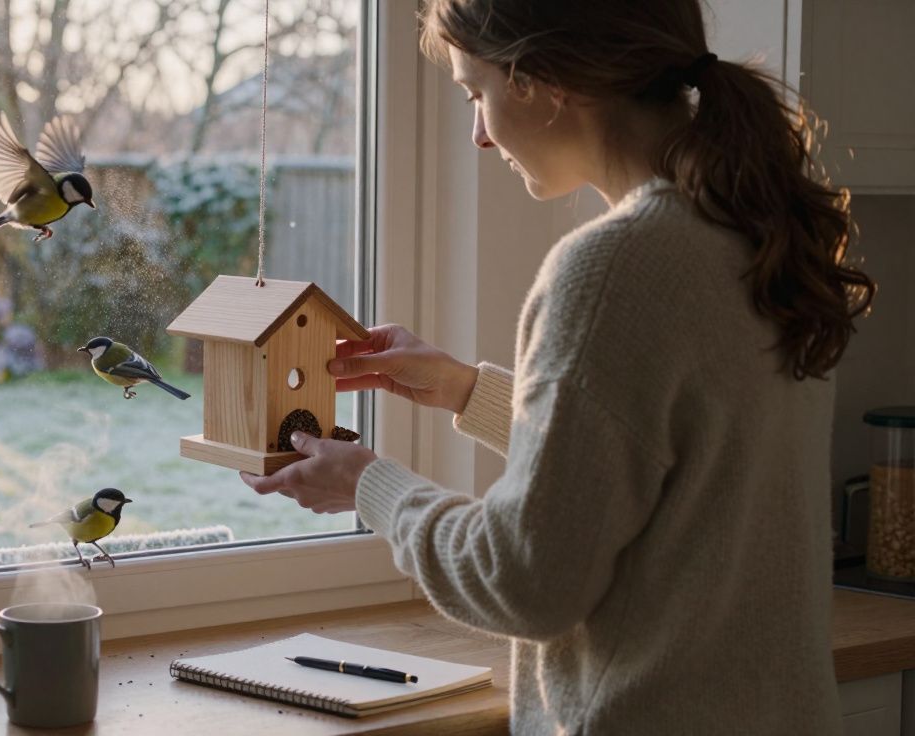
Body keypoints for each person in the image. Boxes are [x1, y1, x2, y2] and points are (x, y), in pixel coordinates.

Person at [239, 0, 877, 732]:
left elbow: (525, 583)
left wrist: (369, 486)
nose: (478, 134)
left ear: (545, 79)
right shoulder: (749, 233)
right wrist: (466, 391)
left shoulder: (613, 267)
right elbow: (669, 466)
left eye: (476, 93)